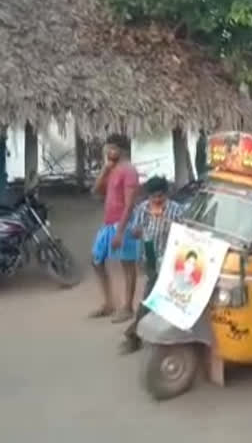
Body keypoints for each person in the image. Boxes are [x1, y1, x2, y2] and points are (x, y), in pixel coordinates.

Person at [119, 176, 184, 354]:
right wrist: (138, 230)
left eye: (160, 196)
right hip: (150, 256)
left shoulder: (176, 210)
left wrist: (168, 223)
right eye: (153, 197)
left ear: (166, 194)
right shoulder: (142, 209)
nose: (157, 200)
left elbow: (186, 231)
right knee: (153, 295)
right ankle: (138, 333)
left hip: (171, 258)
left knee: (153, 296)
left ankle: (136, 334)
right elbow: (134, 232)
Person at [89, 134, 140, 323]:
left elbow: (129, 204)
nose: (106, 152)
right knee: (96, 260)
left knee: (127, 264)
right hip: (108, 222)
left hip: (123, 223)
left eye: (110, 148)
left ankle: (128, 306)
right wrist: (105, 169)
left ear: (120, 149)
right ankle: (109, 303)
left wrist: (120, 231)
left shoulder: (129, 171)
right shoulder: (112, 168)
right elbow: (96, 191)